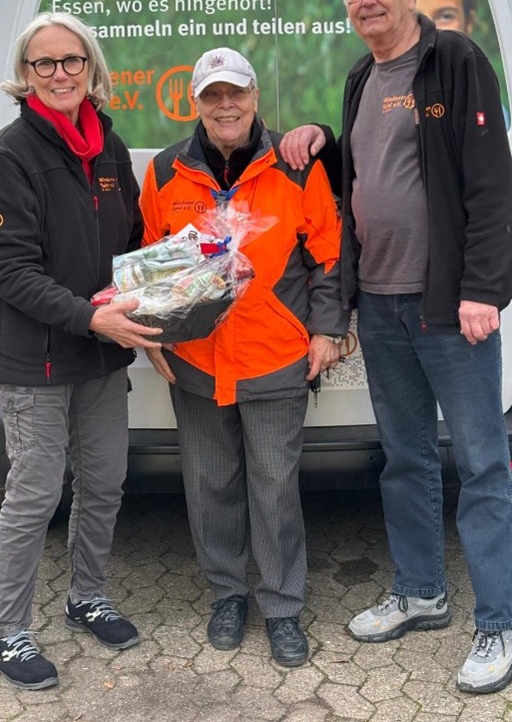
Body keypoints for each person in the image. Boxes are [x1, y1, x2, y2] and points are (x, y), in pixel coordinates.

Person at [280, 0, 512, 694]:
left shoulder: (453, 59)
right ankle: (421, 592)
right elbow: (369, 172)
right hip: (383, 305)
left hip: (450, 307)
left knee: (483, 463)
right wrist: (320, 139)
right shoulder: (362, 76)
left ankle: (501, 625)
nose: (366, 1)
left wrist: (482, 288)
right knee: (407, 459)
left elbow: (490, 181)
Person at [0, 12, 164, 690]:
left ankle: (87, 596)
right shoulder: (7, 157)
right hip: (38, 359)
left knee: (105, 480)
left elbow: (135, 242)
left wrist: (190, 282)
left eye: (71, 61)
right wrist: (91, 318)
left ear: (92, 70)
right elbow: (10, 272)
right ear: (25, 76)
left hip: (99, 352)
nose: (59, 74)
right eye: (44, 64)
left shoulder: (107, 149)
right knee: (34, 492)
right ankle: (7, 633)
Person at [140, 46, 347, 667]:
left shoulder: (294, 165)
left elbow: (330, 255)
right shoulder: (164, 171)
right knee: (209, 485)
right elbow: (149, 260)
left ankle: (282, 606)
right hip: (197, 360)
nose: (225, 105)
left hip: (275, 355)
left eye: (236, 93)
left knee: (276, 486)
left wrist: (327, 330)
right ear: (196, 103)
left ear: (255, 97)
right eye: (212, 95)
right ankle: (228, 595)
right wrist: (154, 331)